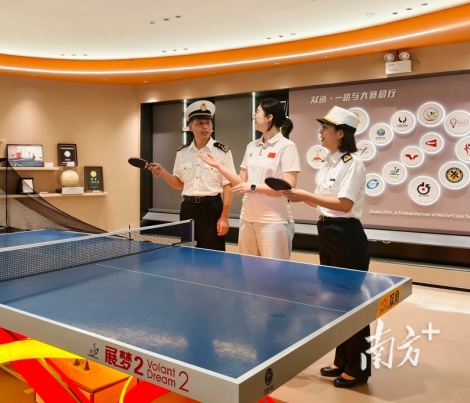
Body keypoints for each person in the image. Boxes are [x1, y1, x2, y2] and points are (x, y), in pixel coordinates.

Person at [283, 106, 371, 388]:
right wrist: (299, 197)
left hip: (346, 236)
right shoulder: (329, 162)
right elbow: (324, 202)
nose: (320, 132)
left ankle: (359, 368)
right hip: (327, 232)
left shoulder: (352, 163)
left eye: (325, 128)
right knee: (335, 302)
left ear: (341, 133)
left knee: (352, 303)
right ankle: (342, 359)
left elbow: (344, 204)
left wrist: (305, 194)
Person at [198, 99, 300, 259]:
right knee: (248, 269)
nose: (254, 116)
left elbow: (287, 187)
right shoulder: (252, 146)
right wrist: (219, 166)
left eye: (257, 112)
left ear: (269, 117)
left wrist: (252, 187)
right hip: (247, 218)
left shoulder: (287, 146)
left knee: (274, 271)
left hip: (273, 221)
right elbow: (241, 181)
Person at [149, 100, 235, 251]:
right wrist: (163, 173)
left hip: (211, 209)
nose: (205, 127)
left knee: (212, 255)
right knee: (187, 253)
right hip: (187, 208)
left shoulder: (222, 152)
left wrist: (224, 217)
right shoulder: (182, 152)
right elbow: (179, 184)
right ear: (190, 127)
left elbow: (227, 186)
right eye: (200, 123)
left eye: (208, 123)